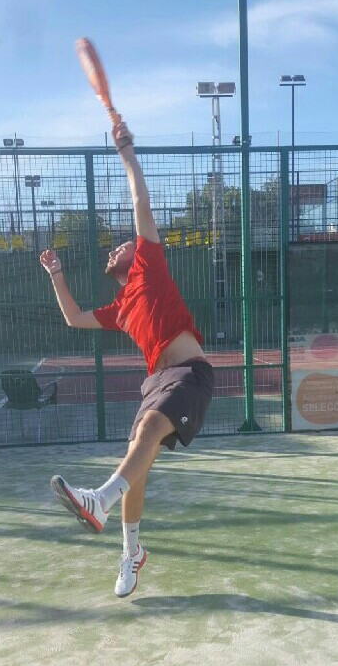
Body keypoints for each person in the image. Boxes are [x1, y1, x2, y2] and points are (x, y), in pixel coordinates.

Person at [40, 118, 214, 599]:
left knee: (151, 429)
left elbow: (140, 200)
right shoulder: (119, 308)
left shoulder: (148, 262)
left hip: (190, 373)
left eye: (123, 242)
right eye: (114, 247)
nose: (117, 245)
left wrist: (126, 152)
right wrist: (56, 274)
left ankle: (97, 500)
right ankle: (131, 553)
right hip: (157, 381)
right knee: (136, 462)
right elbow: (74, 317)